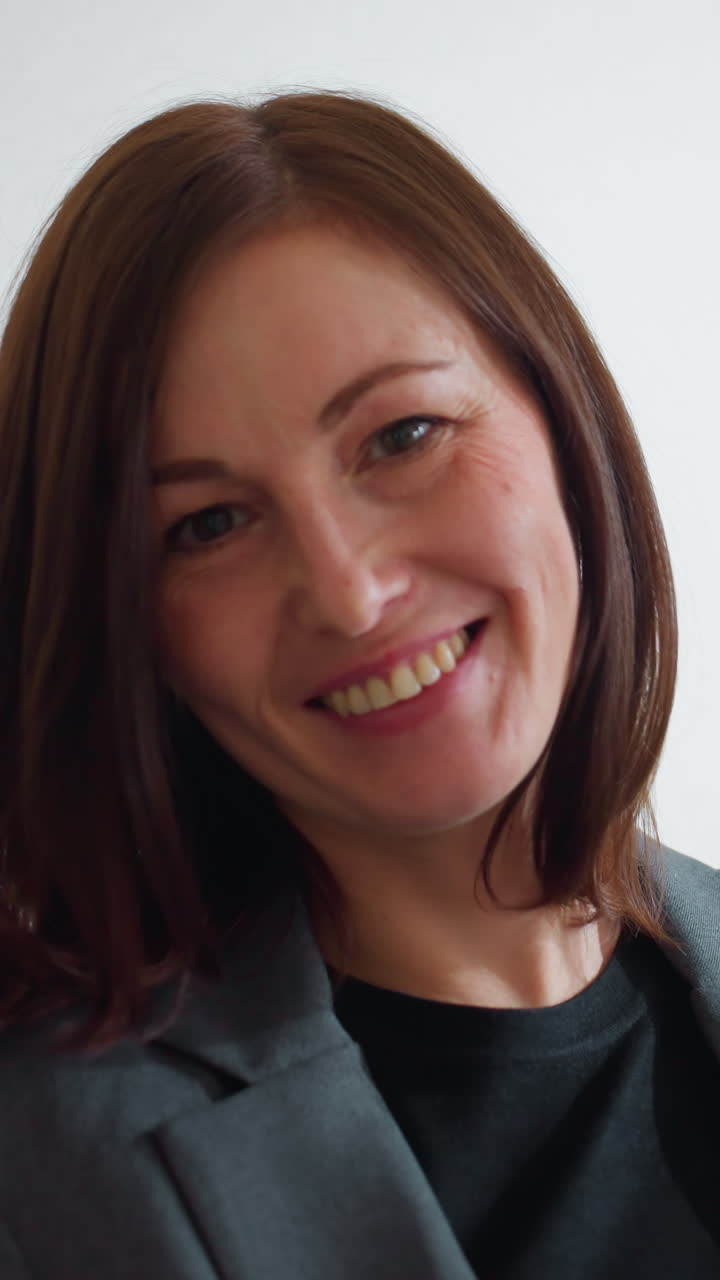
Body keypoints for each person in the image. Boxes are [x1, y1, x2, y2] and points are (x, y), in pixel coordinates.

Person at [0, 88, 717, 1280]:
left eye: (401, 435)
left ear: (560, 413)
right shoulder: (39, 1174)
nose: (348, 589)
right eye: (210, 521)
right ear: (128, 624)